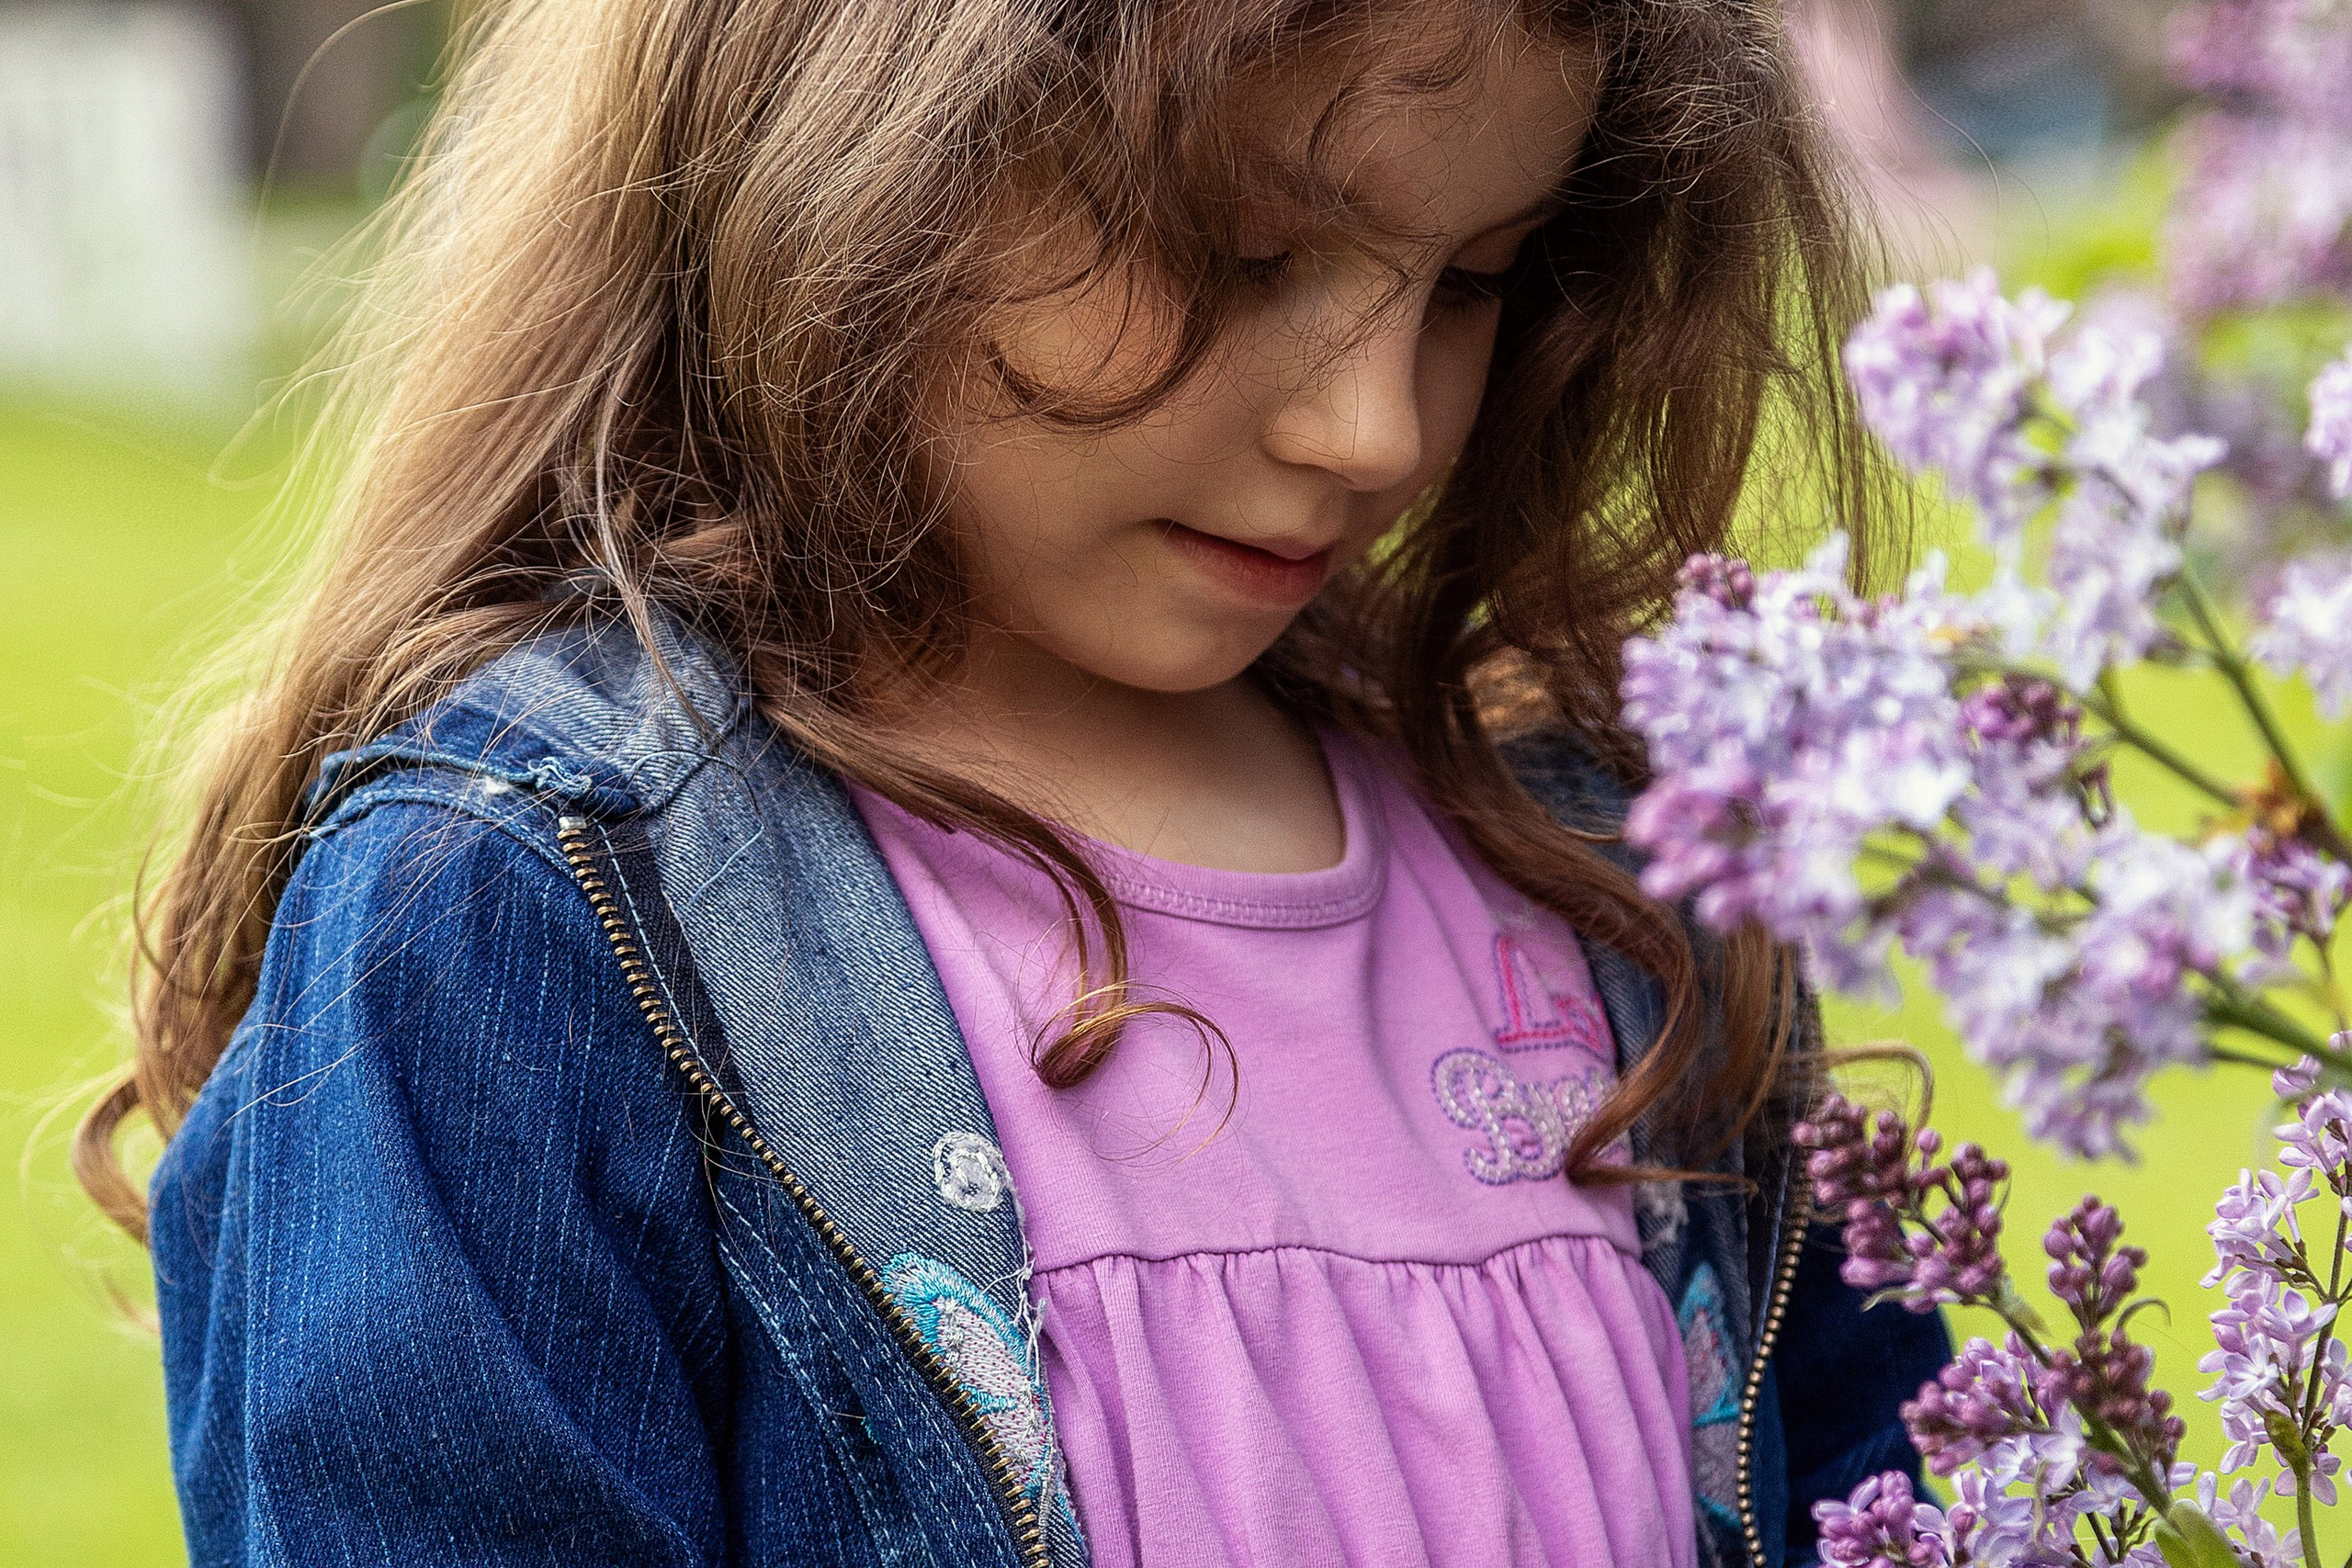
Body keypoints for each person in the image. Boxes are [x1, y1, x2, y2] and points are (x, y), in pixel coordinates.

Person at [80, 0, 1952, 1563]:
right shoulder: (524, 915)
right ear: (850, 151)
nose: (1366, 422)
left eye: (1463, 282)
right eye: (1244, 254)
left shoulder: (1594, 863)